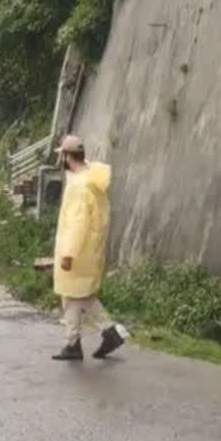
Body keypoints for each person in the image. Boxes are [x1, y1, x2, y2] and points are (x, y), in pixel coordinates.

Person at [51, 135, 125, 361]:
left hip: (79, 251)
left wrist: (68, 254)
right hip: (89, 249)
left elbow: (78, 222)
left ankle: (84, 340)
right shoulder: (90, 178)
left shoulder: (81, 187)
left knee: (77, 296)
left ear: (67, 156)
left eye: (62, 155)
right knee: (78, 296)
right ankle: (85, 339)